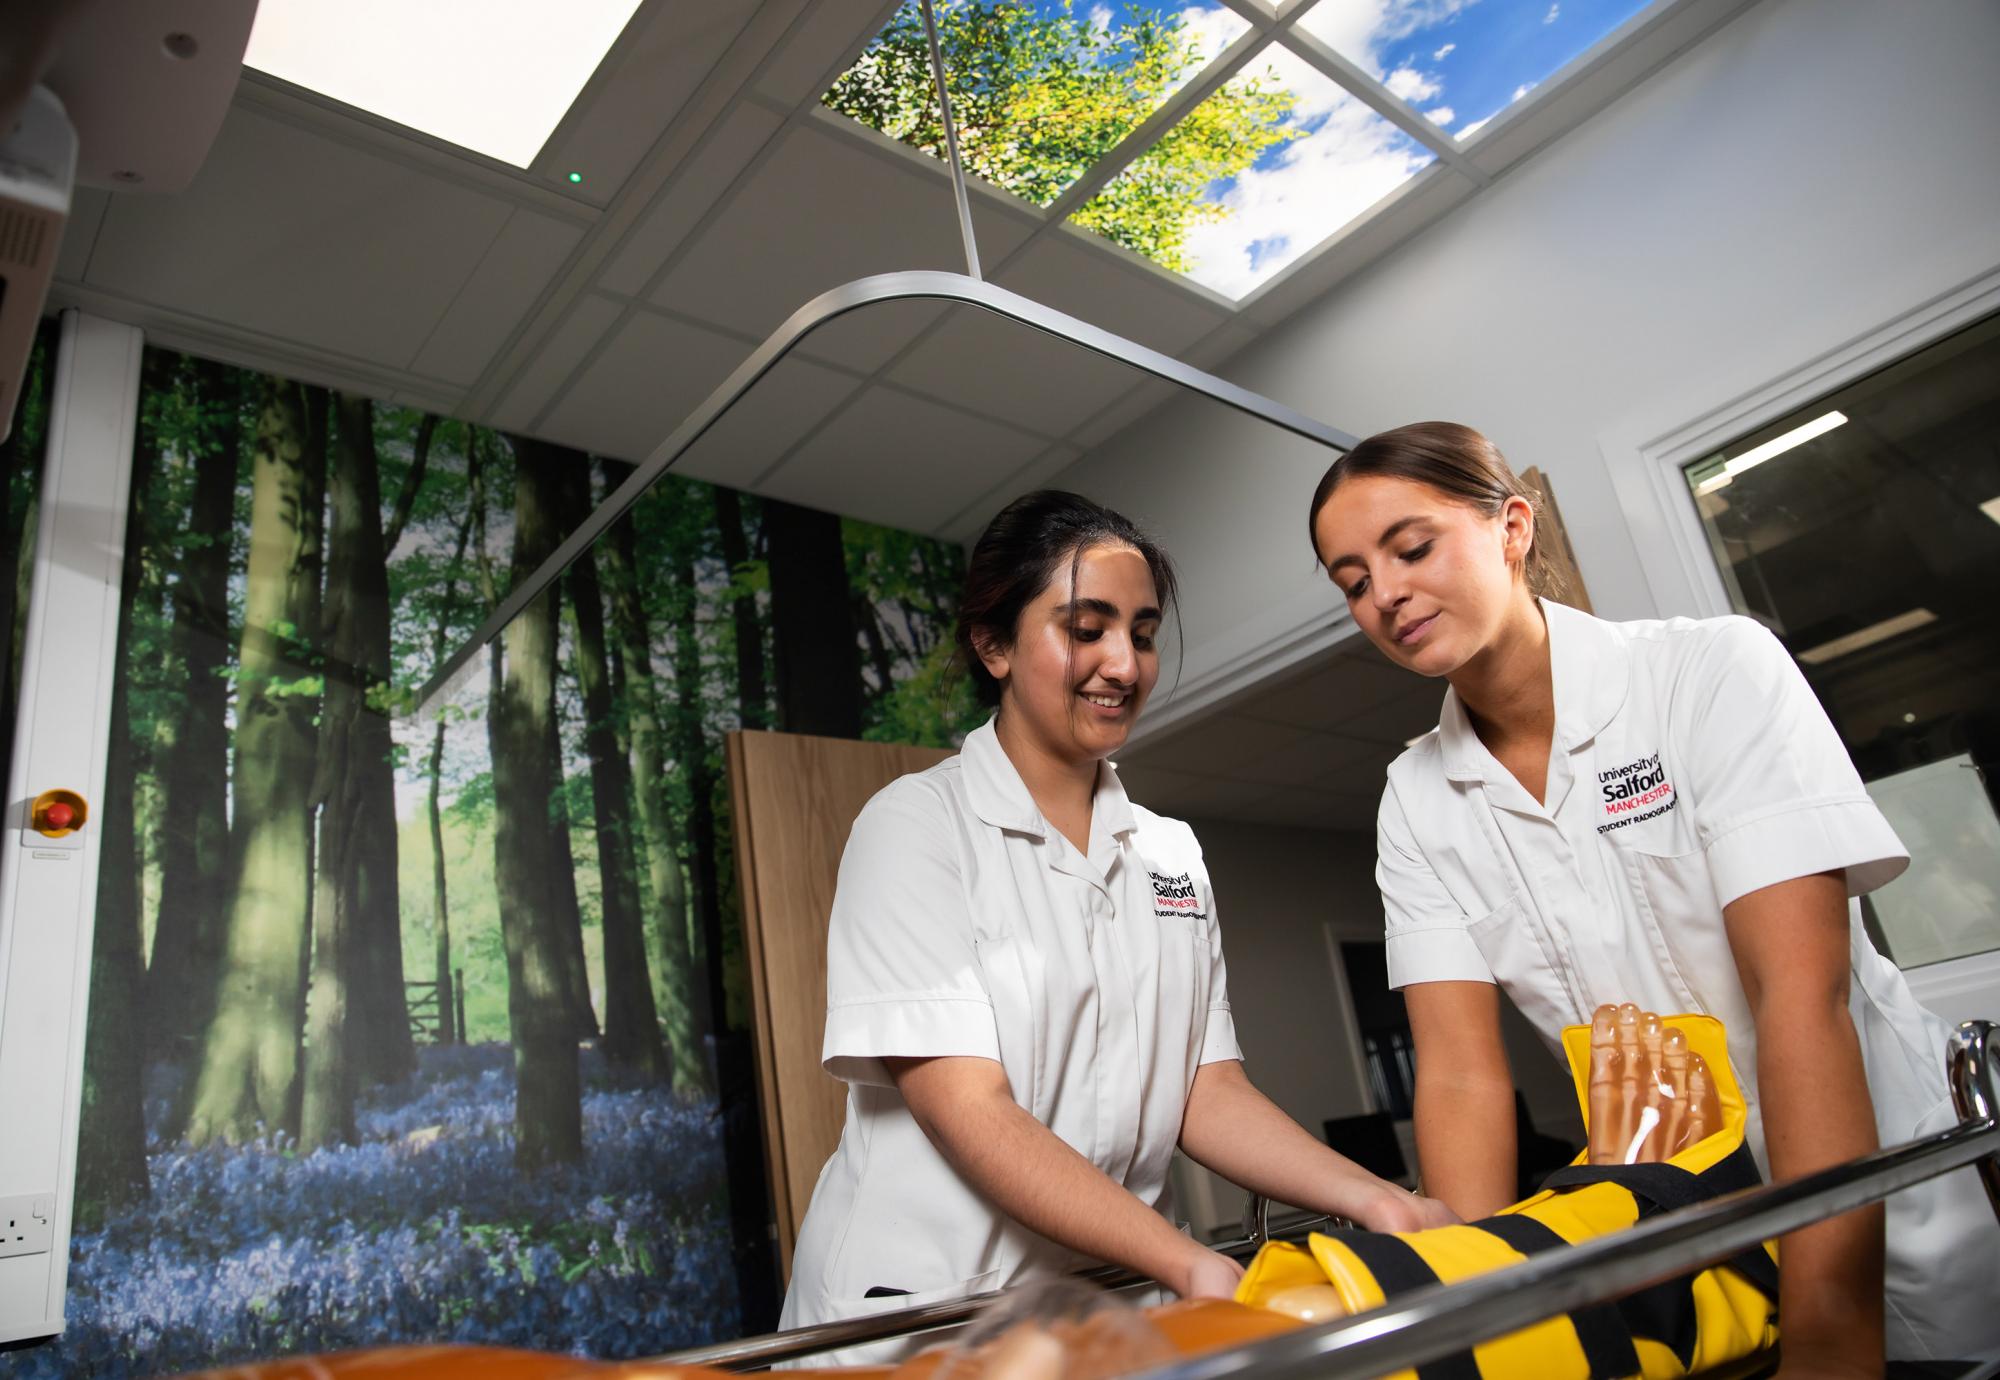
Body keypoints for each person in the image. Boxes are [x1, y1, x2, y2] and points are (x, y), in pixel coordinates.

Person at [1307, 421, 2000, 1372]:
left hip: (1867, 1180)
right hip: (1677, 1214)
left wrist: (1831, 1338)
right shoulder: (1415, 799)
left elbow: (1800, 997)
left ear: (1512, 527)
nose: (1384, 595)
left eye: (1412, 547)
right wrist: (1470, 1327)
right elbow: (1462, 1075)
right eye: (1351, 582)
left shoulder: (1708, 673)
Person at [780, 490, 1454, 1355]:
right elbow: (969, 1110)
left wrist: (1376, 1200)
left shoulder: (1170, 855)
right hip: (928, 1315)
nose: (1124, 665)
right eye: (1086, 627)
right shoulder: (915, 827)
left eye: (1140, 632)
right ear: (993, 644)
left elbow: (1204, 1093)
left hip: (1100, 1308)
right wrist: (1186, 1263)